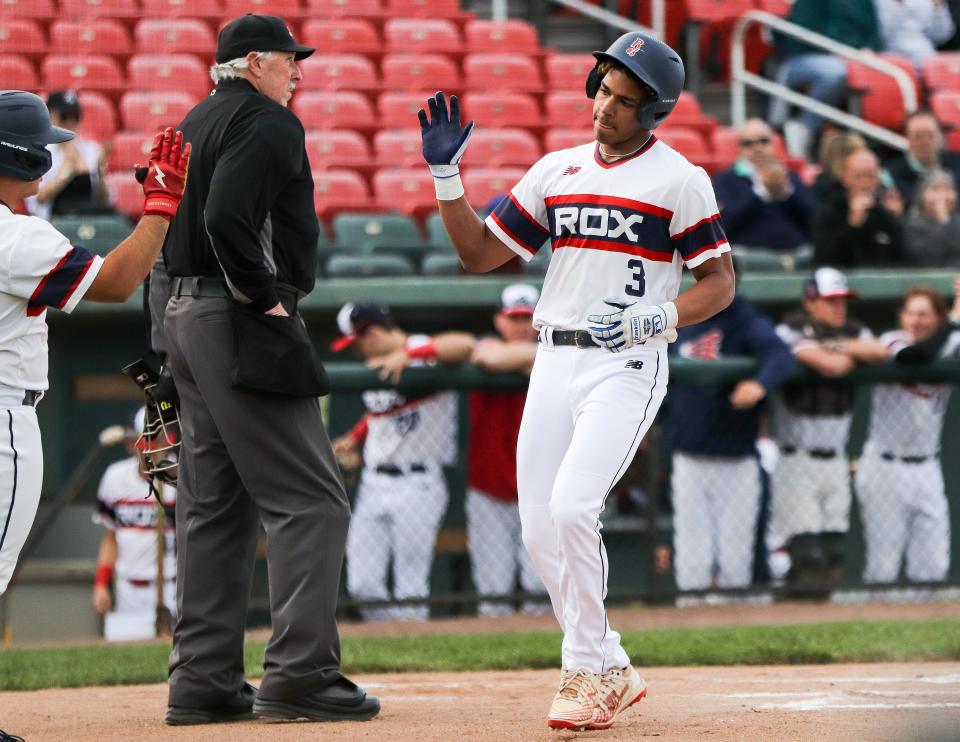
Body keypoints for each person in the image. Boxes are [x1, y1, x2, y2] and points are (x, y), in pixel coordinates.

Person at [418, 31, 735, 731]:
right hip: (553, 358)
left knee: (570, 509)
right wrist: (448, 179)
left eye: (624, 100)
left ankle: (587, 673)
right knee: (538, 528)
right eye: (602, 90)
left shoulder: (678, 178)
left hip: (624, 363)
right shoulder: (556, 169)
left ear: (654, 113)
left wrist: (658, 317)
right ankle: (610, 660)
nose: (605, 107)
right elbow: (478, 255)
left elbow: (721, 282)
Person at [157, 14, 379, 726]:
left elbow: (165, 234)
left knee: (214, 509)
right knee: (312, 501)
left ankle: (202, 680)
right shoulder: (269, 120)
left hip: (184, 315)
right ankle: (300, 675)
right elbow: (228, 218)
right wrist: (261, 298)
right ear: (254, 63)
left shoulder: (192, 120)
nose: (300, 73)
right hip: (237, 318)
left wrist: (165, 340)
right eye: (290, 61)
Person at [0, 91, 188, 602]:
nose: (52, 153)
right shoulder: (16, 237)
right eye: (42, 146)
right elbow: (117, 282)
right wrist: (160, 209)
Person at [329, 301, 475, 621]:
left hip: (418, 482)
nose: (357, 353)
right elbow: (383, 412)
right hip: (373, 483)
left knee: (411, 586)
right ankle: (397, 640)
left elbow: (465, 345)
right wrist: (355, 436)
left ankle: (412, 652)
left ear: (375, 332)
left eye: (358, 343)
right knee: (362, 584)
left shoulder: (421, 347)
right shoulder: (380, 362)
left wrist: (410, 355)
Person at [767, 268, 887, 591]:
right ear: (810, 302)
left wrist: (837, 346)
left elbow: (879, 351)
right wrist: (846, 351)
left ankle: (817, 617)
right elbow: (830, 365)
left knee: (834, 553)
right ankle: (791, 617)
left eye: (842, 301)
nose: (839, 308)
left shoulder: (852, 328)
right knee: (808, 556)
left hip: (836, 459)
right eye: (831, 301)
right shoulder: (790, 327)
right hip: (797, 457)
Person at [668, 292, 794, 598]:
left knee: (735, 559)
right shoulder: (680, 316)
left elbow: (781, 356)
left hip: (736, 458)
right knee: (691, 555)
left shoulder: (745, 320)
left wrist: (759, 383)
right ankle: (690, 628)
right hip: (688, 456)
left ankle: (729, 626)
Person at [855, 284, 960, 585]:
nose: (916, 320)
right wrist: (954, 317)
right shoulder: (894, 339)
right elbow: (917, 357)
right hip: (885, 468)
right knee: (882, 568)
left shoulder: (951, 341)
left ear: (937, 319)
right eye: (910, 313)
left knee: (934, 567)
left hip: (928, 467)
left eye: (924, 314)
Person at [465, 283, 548, 617]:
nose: (520, 326)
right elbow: (489, 355)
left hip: (541, 489)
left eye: (528, 318)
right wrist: (541, 356)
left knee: (541, 589)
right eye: (514, 318)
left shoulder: (557, 354)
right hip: (489, 488)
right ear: (499, 320)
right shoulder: (488, 346)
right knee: (493, 592)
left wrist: (533, 357)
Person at [92, 407, 177, 641]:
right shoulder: (115, 477)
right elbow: (111, 537)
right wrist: (101, 583)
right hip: (128, 588)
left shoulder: (182, 476)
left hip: (172, 586)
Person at [770, 0, 882, 158]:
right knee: (836, 72)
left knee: (890, 67)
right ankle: (805, 126)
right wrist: (843, 51)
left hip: (853, 58)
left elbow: (873, 33)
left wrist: (869, 49)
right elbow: (803, 36)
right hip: (805, 58)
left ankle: (872, 143)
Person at [712, 118, 816, 252]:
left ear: (773, 144)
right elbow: (723, 225)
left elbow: (815, 220)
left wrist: (787, 192)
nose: (757, 148)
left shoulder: (790, 177)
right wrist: (761, 192)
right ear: (739, 148)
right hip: (748, 256)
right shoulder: (726, 179)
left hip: (797, 253)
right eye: (748, 143)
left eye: (764, 141)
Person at [25, 91, 111, 221]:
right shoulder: (38, 151)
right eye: (64, 117)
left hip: (90, 219)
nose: (70, 123)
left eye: (75, 117)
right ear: (49, 116)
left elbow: (106, 200)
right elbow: (36, 202)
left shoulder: (91, 150)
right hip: (54, 221)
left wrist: (100, 173)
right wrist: (65, 174)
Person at [812, 147, 904, 267]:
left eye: (870, 176)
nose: (865, 183)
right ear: (845, 178)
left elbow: (904, 257)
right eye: (858, 176)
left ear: (878, 179)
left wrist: (897, 220)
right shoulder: (829, 211)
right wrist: (853, 225)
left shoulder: (884, 213)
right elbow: (824, 258)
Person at [885, 111, 960, 207]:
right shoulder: (891, 176)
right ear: (908, 139)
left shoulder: (958, 165)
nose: (924, 142)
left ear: (941, 137)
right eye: (918, 136)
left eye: (930, 135)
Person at [874, 0, 955, 71]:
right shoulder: (876, 3)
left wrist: (938, 8)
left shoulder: (924, 3)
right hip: (892, 64)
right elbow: (881, 36)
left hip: (928, 63)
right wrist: (898, 5)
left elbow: (941, 36)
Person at [904, 170, 960, 266]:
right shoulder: (911, 225)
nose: (942, 196)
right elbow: (928, 257)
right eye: (935, 189)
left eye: (948, 189)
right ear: (921, 195)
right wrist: (943, 221)